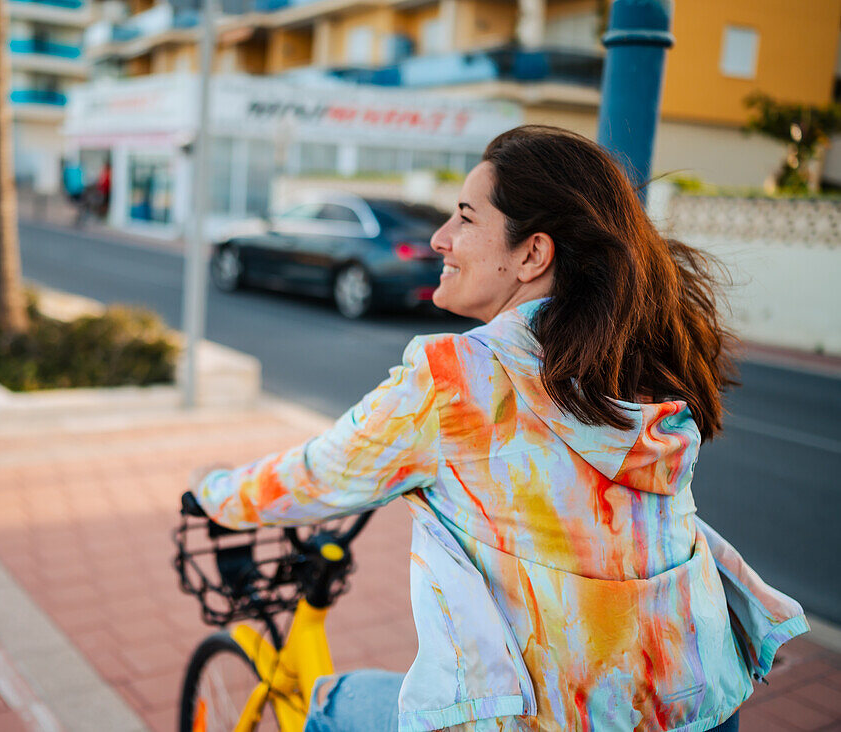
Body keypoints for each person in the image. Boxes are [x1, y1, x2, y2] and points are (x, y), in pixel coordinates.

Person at [185, 125, 807, 731]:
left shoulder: (457, 380)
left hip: (549, 716)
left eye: (464, 217)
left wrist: (213, 493)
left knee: (333, 702)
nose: (438, 238)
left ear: (532, 253)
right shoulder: (638, 359)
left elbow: (317, 475)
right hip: (694, 703)